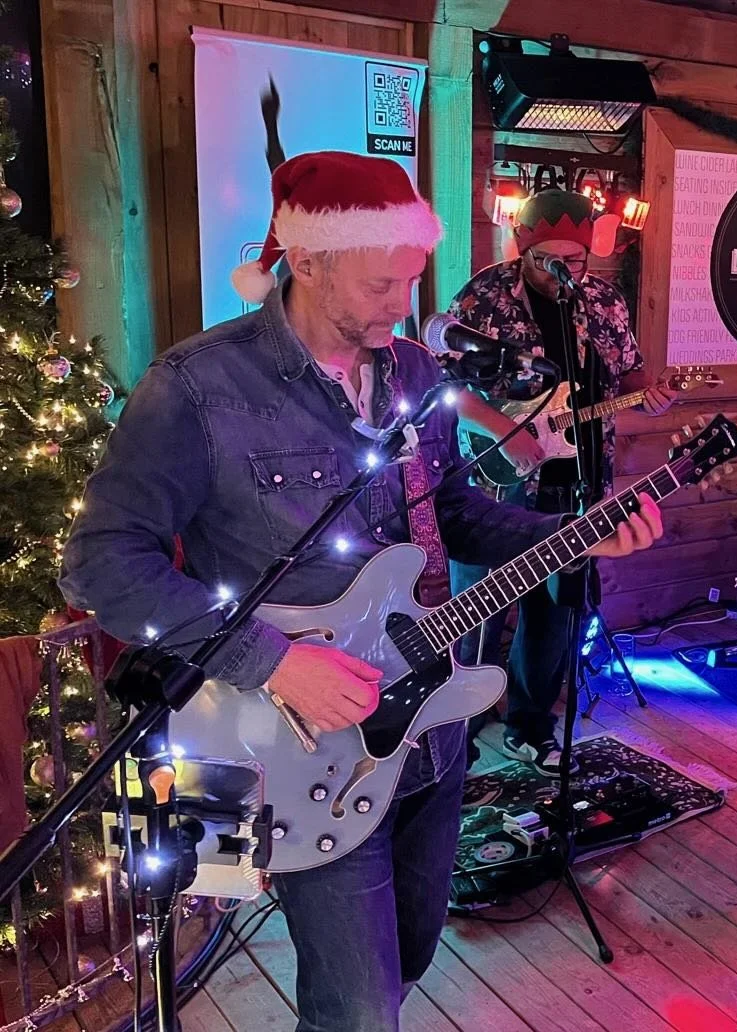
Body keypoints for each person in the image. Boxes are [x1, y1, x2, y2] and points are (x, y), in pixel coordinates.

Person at [58, 151, 662, 1032]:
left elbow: (449, 511)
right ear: (306, 262)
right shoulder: (200, 389)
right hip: (299, 743)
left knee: (411, 954)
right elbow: (101, 561)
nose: (401, 307)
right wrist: (272, 662)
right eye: (381, 285)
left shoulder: (415, 373)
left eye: (410, 282)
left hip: (432, 725)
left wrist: (569, 537)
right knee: (359, 1011)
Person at [446, 189, 678, 774]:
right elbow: (444, 390)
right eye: (545, 260)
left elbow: (629, 372)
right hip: (494, 474)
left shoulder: (600, 300)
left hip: (576, 472)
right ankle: (458, 730)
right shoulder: (482, 296)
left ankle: (530, 722)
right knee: (479, 604)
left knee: (556, 606)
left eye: (571, 261)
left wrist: (649, 396)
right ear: (523, 250)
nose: (560, 273)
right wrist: (506, 428)